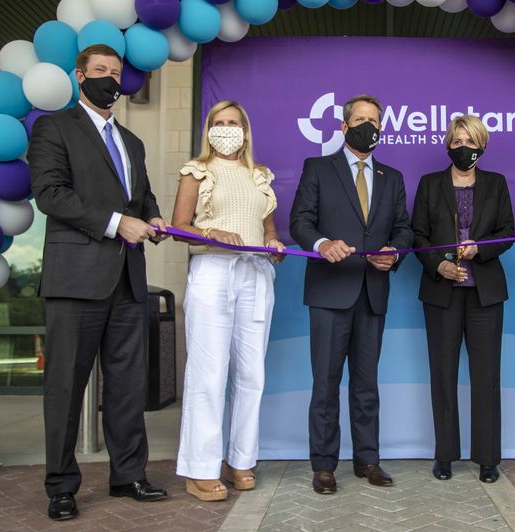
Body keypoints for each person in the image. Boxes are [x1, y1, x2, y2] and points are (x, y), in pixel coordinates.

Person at [28, 44, 168, 521]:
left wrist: (151, 215)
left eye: (116, 72)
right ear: (80, 75)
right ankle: (62, 486)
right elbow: (50, 194)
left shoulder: (131, 141)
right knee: (65, 388)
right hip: (76, 280)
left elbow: (141, 194)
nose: (110, 79)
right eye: (100, 71)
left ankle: (128, 475)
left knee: (129, 386)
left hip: (128, 280)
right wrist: (116, 223)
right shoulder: (54, 127)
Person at [289, 94, 414, 495]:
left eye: (374, 120)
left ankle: (368, 460)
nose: (368, 125)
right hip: (329, 291)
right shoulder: (318, 168)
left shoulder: (392, 177)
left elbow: (403, 229)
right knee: (325, 383)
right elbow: (299, 221)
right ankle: (324, 466)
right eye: (360, 119)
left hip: (373, 292)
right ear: (343, 127)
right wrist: (322, 243)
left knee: (366, 384)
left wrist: (394, 253)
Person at [172, 100, 284, 501]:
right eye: (218, 123)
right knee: (209, 372)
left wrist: (273, 244)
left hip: (255, 275)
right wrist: (213, 234)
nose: (226, 128)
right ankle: (200, 467)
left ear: (245, 130)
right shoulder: (196, 171)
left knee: (251, 374)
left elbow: (267, 229)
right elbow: (179, 227)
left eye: (233, 122)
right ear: (209, 129)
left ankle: (241, 458)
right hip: (213, 273)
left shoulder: (260, 176)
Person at [411, 115, 515, 483]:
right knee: (443, 376)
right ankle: (445, 455)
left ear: (482, 145)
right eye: (457, 141)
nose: (463, 148)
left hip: (485, 293)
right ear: (447, 145)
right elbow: (418, 236)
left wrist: (480, 251)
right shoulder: (429, 184)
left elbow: (506, 233)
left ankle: (488, 458)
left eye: (470, 141)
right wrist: (438, 265)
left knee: (486, 378)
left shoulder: (496, 184)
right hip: (441, 294)